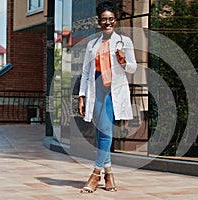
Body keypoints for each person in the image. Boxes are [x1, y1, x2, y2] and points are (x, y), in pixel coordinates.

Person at [78, 1, 137, 193]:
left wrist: (124, 61)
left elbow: (133, 68)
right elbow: (86, 71)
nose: (108, 23)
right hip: (96, 91)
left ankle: (95, 174)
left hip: (113, 91)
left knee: (105, 130)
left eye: (111, 19)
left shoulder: (124, 42)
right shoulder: (92, 44)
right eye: (104, 20)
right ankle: (109, 173)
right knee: (100, 131)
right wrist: (82, 96)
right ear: (99, 21)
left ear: (116, 21)